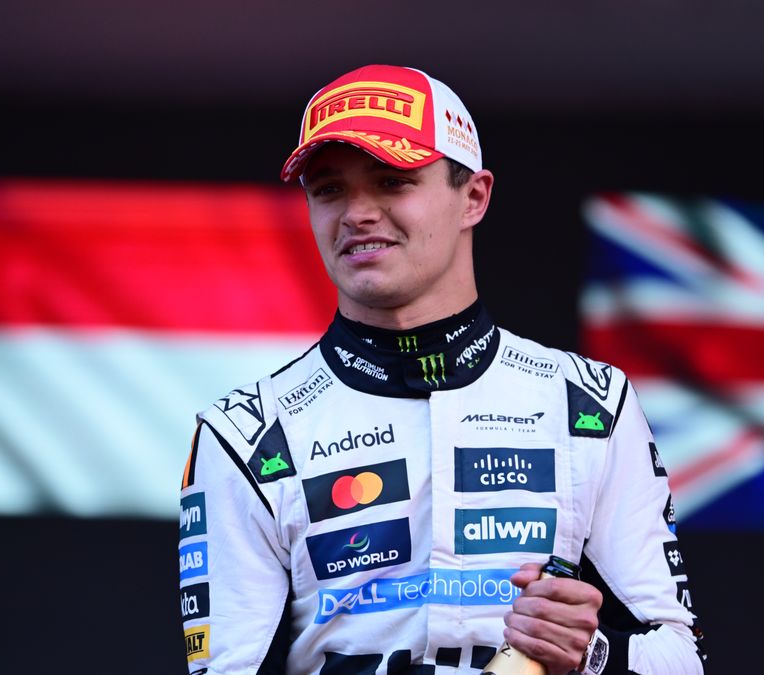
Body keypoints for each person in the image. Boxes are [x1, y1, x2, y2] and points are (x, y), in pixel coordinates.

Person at [178, 64, 705, 675]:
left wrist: (591, 656)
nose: (357, 213)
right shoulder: (244, 436)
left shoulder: (588, 404)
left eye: (392, 181)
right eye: (328, 190)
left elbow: (681, 659)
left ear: (473, 197)